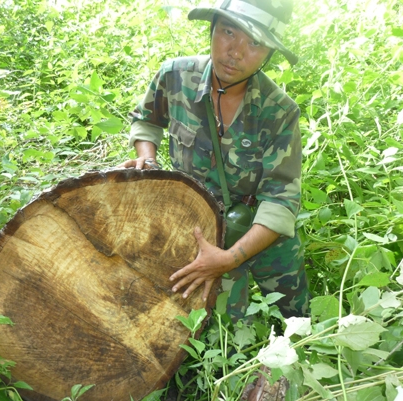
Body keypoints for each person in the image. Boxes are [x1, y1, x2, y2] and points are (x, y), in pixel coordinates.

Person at [120, 0, 309, 321]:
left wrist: (230, 258)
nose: (236, 51)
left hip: (261, 230)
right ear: (212, 29)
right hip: (196, 226)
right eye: (228, 32)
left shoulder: (279, 110)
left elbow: (280, 201)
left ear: (269, 55)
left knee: (295, 321)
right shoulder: (175, 76)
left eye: (255, 44)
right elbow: (146, 119)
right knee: (222, 327)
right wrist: (146, 159)